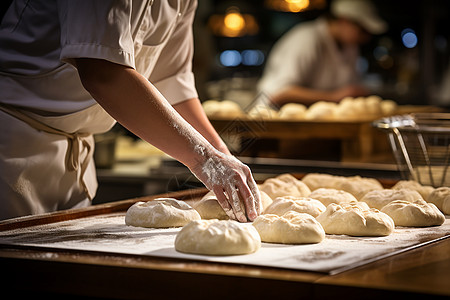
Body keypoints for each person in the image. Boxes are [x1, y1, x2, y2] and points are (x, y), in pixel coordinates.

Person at [0, 0, 261, 222]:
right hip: (14, 150)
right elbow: (102, 72)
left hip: (76, 158)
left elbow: (173, 84)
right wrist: (206, 160)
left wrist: (223, 160)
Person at [257, 0, 387, 108]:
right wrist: (335, 97)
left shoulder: (350, 46)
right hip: (270, 123)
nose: (367, 37)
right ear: (344, 21)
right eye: (363, 30)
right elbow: (279, 94)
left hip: (315, 129)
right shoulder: (307, 39)